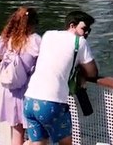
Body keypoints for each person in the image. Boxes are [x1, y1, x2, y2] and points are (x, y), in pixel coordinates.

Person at [23, 11, 98, 145]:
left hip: (30, 100)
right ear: (72, 25)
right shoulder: (79, 42)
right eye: (84, 29)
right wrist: (80, 72)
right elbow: (93, 73)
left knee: (38, 143)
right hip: (51, 103)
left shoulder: (48, 35)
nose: (86, 33)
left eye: (89, 30)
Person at [0, 7, 42, 145]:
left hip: (10, 91)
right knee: (37, 136)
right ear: (33, 23)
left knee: (16, 132)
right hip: (28, 90)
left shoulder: (6, 40)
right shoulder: (35, 40)